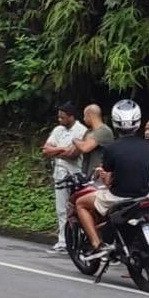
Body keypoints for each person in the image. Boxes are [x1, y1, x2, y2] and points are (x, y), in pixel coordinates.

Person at [75, 100, 149, 260]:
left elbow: (108, 179)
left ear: (116, 122)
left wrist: (102, 174)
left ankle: (96, 244)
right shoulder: (147, 146)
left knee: (80, 203)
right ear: (138, 122)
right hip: (143, 195)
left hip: (119, 197)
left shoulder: (112, 148)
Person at [42, 102, 87, 252]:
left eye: (62, 117)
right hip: (60, 174)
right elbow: (46, 150)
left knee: (75, 208)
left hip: (75, 174)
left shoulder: (81, 130)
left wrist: (56, 150)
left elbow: (73, 154)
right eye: (59, 117)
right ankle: (63, 240)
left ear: (71, 116)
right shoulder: (58, 130)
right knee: (61, 208)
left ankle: (78, 240)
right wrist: (62, 149)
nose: (59, 120)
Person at [67, 103, 114, 177]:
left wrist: (74, 140)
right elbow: (74, 151)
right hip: (87, 174)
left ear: (90, 116)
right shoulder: (88, 132)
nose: (84, 119)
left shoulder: (104, 131)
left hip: (100, 176)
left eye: (85, 116)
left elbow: (85, 148)